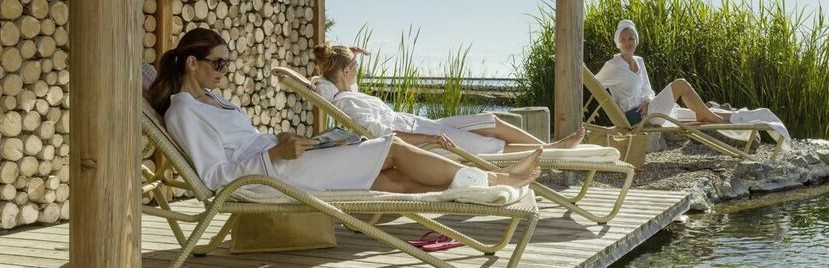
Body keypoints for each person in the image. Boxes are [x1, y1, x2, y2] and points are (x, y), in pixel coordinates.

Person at [144, 28, 542, 194]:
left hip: (279, 161)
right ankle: (495, 183)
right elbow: (215, 178)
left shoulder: (214, 102)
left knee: (382, 181)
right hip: (270, 177)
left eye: (226, 64)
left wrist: (282, 142)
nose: (224, 72)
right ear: (191, 63)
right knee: (392, 150)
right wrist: (274, 154)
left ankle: (478, 191)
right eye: (218, 64)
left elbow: (244, 144)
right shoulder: (183, 113)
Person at [308, 44, 586, 154]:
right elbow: (384, 133)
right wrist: (430, 141)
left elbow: (325, 76)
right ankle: (554, 151)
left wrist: (349, 52)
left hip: (422, 124)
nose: (359, 70)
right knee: (489, 145)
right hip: (421, 134)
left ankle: (550, 146)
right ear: (345, 72)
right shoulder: (347, 102)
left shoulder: (345, 94)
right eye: (354, 67)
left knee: (490, 119)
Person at [594, 19, 792, 142]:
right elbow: (595, 85)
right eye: (624, 39)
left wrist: (647, 99)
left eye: (631, 39)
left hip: (652, 109)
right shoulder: (613, 65)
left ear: (636, 40)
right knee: (680, 84)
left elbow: (648, 89)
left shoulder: (639, 61)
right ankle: (715, 120)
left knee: (702, 113)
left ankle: (761, 117)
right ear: (617, 42)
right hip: (636, 117)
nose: (628, 43)